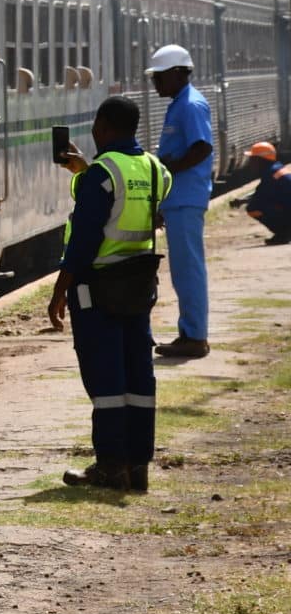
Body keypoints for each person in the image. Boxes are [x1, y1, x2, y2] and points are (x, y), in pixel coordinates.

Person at [51, 96, 172, 492]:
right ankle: (138, 467)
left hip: (97, 289)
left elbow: (84, 239)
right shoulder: (154, 169)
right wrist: (83, 172)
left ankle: (109, 466)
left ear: (102, 126)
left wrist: (58, 292)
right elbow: (137, 204)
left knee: (106, 381)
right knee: (138, 376)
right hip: (138, 286)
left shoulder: (104, 172)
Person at [146, 45, 213, 358]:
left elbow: (202, 148)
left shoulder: (190, 105)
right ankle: (190, 332)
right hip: (179, 200)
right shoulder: (179, 103)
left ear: (176, 73)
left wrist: (168, 167)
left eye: (159, 77)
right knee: (183, 269)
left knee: (188, 269)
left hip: (187, 199)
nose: (154, 84)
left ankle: (194, 336)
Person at [233, 141, 291, 245]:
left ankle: (283, 234)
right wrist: (243, 199)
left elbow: (260, 197)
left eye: (252, 159)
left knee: (254, 207)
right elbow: (262, 192)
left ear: (260, 160)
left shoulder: (270, 174)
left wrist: (244, 200)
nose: (250, 163)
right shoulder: (276, 168)